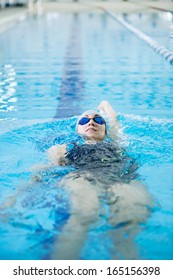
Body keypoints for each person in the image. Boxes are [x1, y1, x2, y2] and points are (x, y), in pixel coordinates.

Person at [47, 100, 153, 260]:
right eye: (84, 120)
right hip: (84, 177)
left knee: (130, 221)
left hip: (122, 179)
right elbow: (47, 170)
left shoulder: (116, 142)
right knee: (85, 214)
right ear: (77, 129)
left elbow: (114, 120)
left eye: (98, 120)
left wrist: (105, 105)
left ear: (105, 129)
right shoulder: (65, 146)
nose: (91, 122)